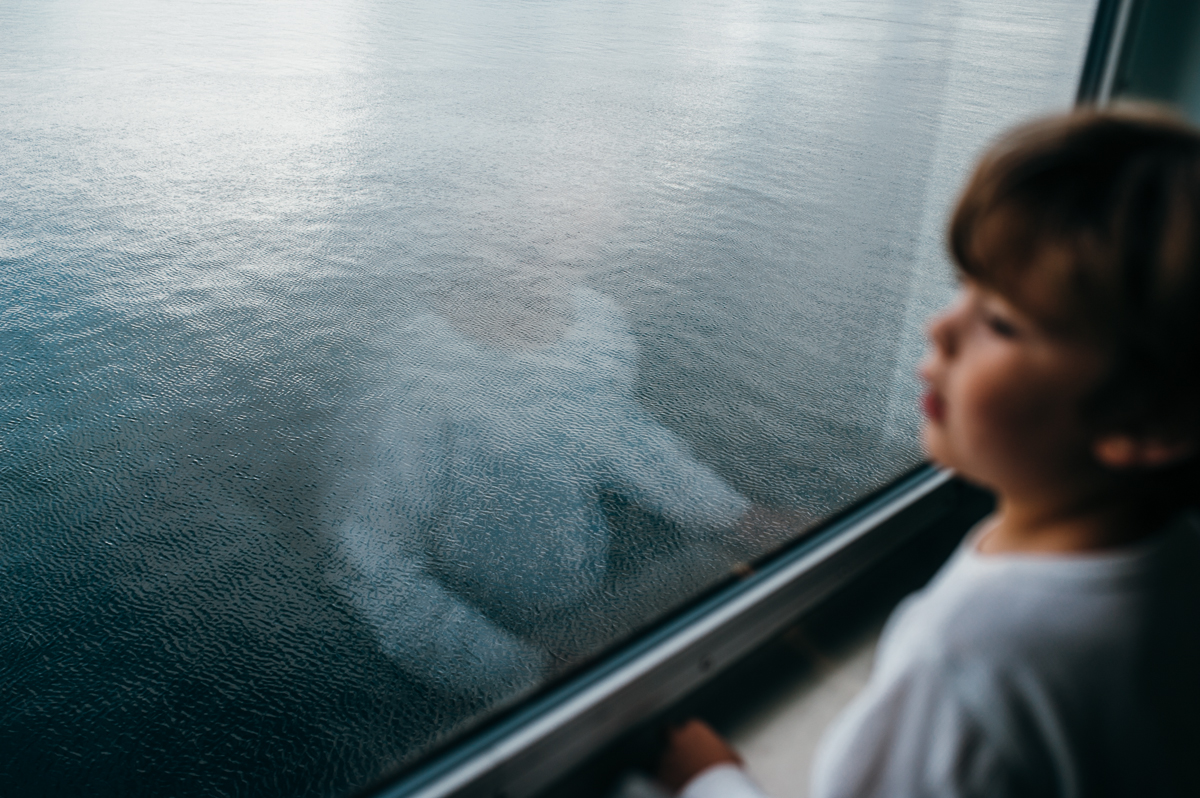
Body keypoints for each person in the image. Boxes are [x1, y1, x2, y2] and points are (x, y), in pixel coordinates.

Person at [656, 106, 1200, 797]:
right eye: (962, 288)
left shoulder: (968, 655)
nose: (939, 327)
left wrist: (715, 783)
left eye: (1001, 321)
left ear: (1148, 422)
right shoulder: (1173, 559)